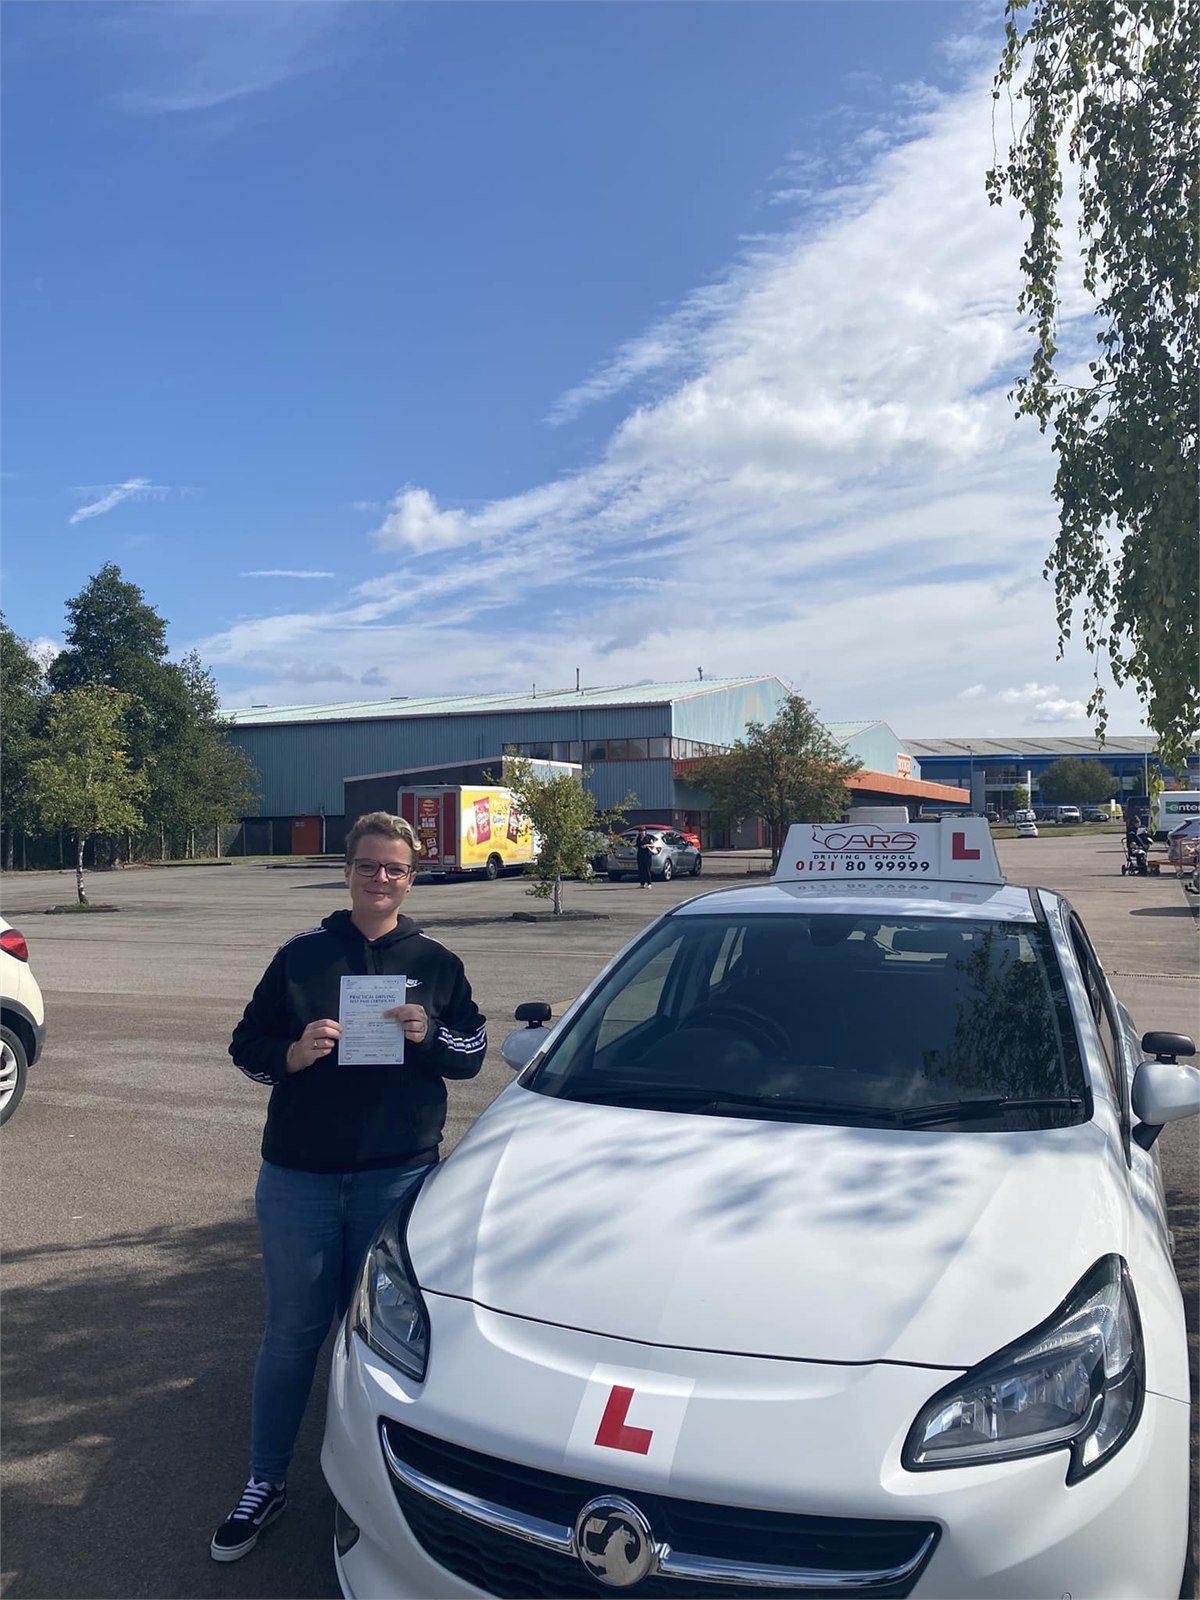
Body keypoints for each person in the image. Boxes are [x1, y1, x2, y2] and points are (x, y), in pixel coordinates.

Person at [210, 811, 486, 1563]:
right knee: (293, 1336)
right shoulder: (301, 957)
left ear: (411, 877)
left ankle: (369, 1489)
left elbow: (472, 1052)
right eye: (368, 866)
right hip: (299, 1178)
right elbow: (246, 1045)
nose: (381, 879)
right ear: (348, 871)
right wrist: (292, 1054)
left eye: (394, 868)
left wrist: (430, 1034)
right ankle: (265, 1482)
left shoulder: (436, 961)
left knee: (386, 1344)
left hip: (396, 1178)